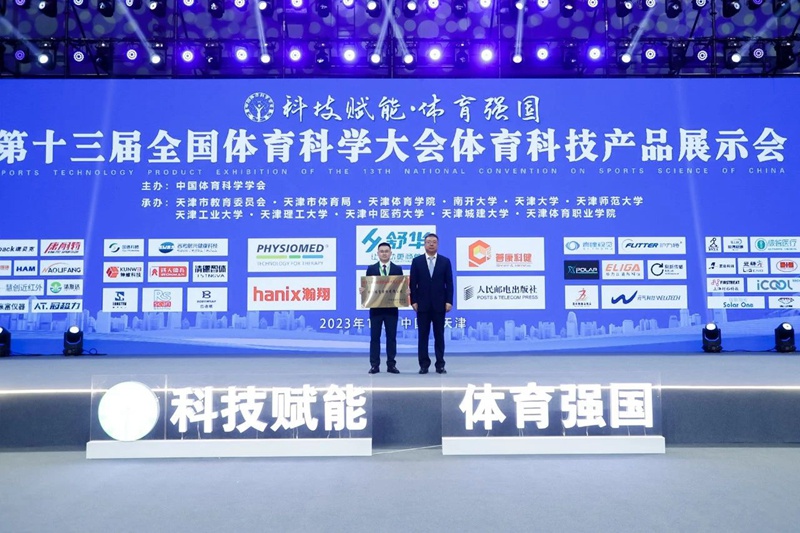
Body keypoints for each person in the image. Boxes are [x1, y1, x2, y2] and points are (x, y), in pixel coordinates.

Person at [409, 233, 453, 374]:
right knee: (423, 336)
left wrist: (449, 301)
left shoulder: (445, 261)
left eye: (434, 242)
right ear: (424, 244)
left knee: (439, 335)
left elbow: (449, 283)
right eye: (429, 242)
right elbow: (412, 284)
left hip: (440, 305)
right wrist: (413, 301)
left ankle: (440, 364)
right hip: (422, 305)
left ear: (438, 244)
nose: (431, 244)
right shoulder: (417, 261)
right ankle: (424, 365)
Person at [364, 242, 403, 374]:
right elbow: (368, 288)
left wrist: (405, 292)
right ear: (378, 253)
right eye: (382, 251)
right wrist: (363, 291)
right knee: (375, 338)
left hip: (392, 309)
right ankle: (374, 365)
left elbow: (400, 288)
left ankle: (391, 365)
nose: (384, 253)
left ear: (390, 253)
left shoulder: (397, 269)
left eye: (387, 251)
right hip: (376, 309)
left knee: (391, 338)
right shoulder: (371, 269)